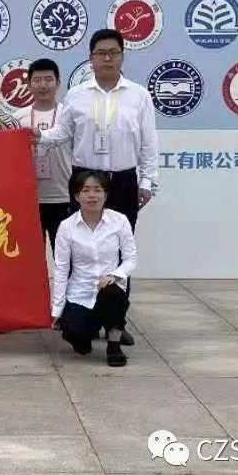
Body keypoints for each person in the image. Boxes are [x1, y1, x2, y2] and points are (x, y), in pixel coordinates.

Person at [36, 28, 158, 346]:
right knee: (79, 247)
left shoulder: (138, 95)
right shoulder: (77, 95)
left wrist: (147, 182)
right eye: (101, 53)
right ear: (90, 58)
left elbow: (149, 143)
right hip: (85, 181)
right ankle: (78, 313)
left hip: (123, 181)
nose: (107, 58)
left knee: (118, 250)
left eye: (113, 52)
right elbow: (61, 134)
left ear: (122, 56)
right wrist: (39, 137)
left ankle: (116, 322)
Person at [51, 170, 137, 367]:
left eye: (97, 190)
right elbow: (61, 268)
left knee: (113, 294)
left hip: (108, 287)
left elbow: (130, 259)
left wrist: (115, 275)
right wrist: (57, 308)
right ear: (76, 196)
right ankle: (87, 330)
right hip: (80, 292)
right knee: (78, 340)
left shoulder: (119, 221)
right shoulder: (66, 227)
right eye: (86, 190)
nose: (92, 195)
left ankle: (114, 346)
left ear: (105, 195)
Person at [15, 59, 74, 253]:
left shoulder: (69, 115)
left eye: (48, 79)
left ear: (58, 83)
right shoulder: (18, 117)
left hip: (64, 197)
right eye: (37, 80)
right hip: (29, 200)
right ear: (29, 84)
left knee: (66, 259)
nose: (43, 85)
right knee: (31, 258)